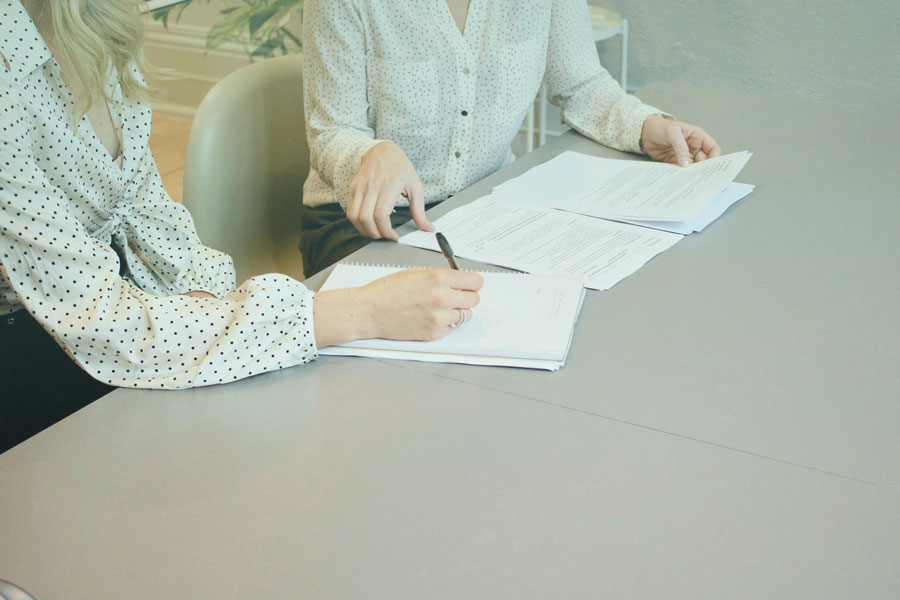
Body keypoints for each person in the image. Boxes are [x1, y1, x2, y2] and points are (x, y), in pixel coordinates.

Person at [0, 0, 483, 454]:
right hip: (32, 345)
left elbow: (145, 208)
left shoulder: (96, 23)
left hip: (113, 308)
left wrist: (205, 298)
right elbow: (102, 322)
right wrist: (361, 312)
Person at [300, 0, 723, 276]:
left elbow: (580, 83)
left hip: (485, 209)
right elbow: (332, 131)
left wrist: (647, 126)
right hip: (365, 224)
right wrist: (371, 154)